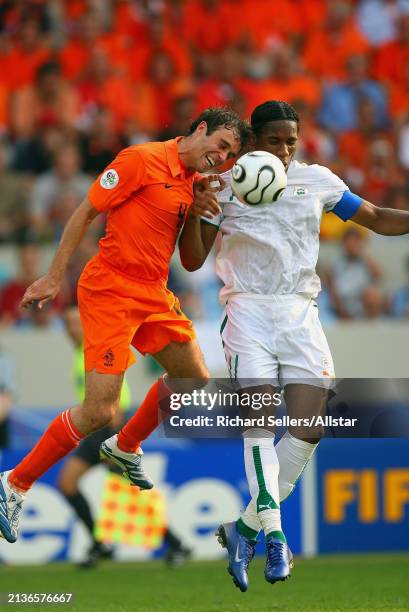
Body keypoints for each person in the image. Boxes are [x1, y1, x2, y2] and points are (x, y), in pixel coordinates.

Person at [178, 100, 409, 591]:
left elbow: (375, 217)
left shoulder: (316, 181)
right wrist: (195, 213)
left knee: (309, 429)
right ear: (254, 141)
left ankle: (242, 530)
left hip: (301, 314)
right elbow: (194, 260)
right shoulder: (227, 185)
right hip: (247, 312)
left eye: (291, 140)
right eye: (274, 140)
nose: (284, 150)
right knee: (259, 425)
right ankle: (276, 537)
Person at [0, 107, 248, 544]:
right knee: (99, 411)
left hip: (152, 293)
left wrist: (196, 214)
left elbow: (190, 263)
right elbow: (84, 213)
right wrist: (55, 276)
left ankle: (126, 445)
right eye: (222, 145)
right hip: (111, 290)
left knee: (192, 377)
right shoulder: (140, 160)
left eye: (230, 155)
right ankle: (14, 483)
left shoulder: (193, 184)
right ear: (202, 129)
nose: (222, 157)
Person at [58, 306, 191, 568]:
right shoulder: (79, 352)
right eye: (66, 323)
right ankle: (102, 544)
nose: (70, 328)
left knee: (120, 488)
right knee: (70, 484)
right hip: (98, 429)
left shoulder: (95, 348)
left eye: (75, 322)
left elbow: (116, 387)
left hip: (110, 427)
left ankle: (175, 544)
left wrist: (115, 431)